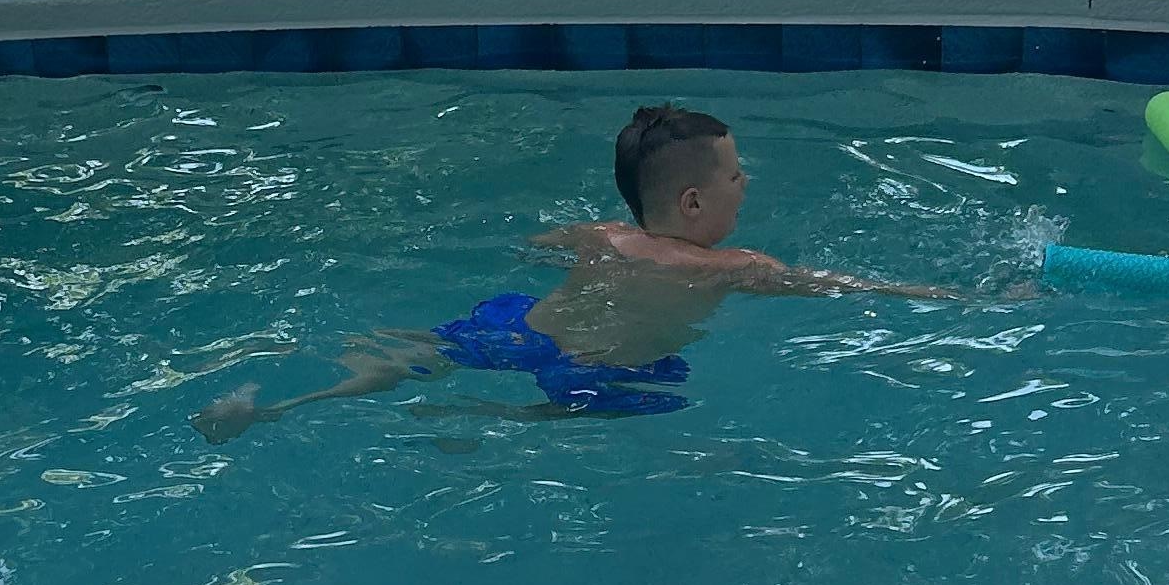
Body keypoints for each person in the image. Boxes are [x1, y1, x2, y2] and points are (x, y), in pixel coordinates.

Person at [197, 102, 953, 438]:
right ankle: (487, 422)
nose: (746, 184)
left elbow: (535, 245)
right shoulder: (732, 266)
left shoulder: (597, 235)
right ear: (693, 202)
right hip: (594, 368)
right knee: (606, 411)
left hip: (522, 330)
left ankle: (274, 408)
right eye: (736, 176)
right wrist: (951, 294)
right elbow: (842, 287)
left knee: (415, 351)